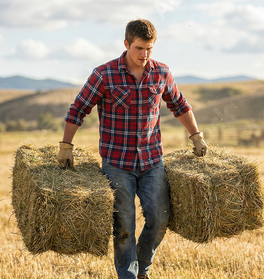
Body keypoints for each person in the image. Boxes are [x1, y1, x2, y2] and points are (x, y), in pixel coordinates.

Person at [57, 19, 207, 279]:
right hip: (117, 164)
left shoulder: (161, 72)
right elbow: (78, 109)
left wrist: (196, 136)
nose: (144, 55)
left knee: (160, 221)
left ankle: (142, 270)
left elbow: (180, 105)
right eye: (139, 48)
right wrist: (66, 145)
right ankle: (128, 276)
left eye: (149, 49)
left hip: (152, 162)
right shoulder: (104, 74)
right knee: (124, 227)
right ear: (126, 44)